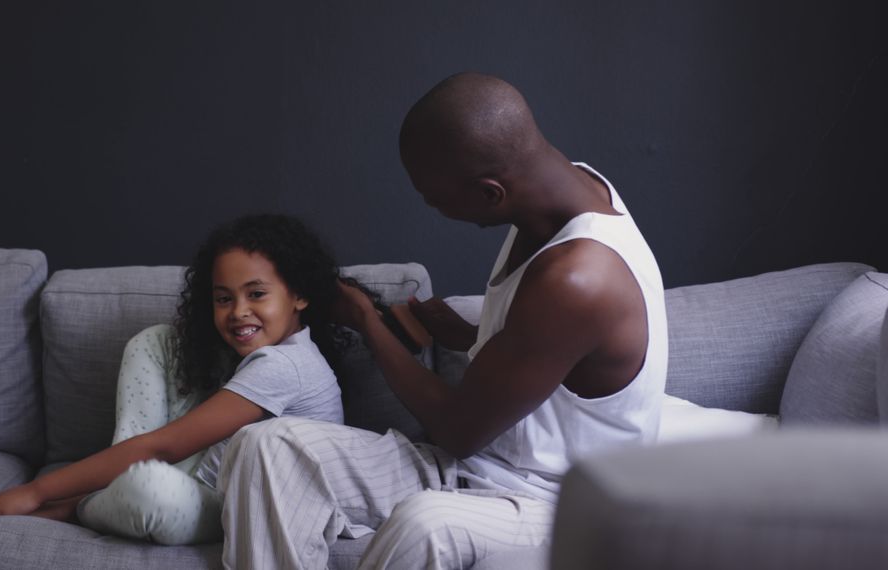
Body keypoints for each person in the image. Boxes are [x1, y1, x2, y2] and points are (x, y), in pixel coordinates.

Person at [214, 72, 668, 569]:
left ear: (491, 193)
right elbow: (560, 356)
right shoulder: (566, 189)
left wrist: (369, 323)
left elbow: (457, 430)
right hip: (477, 468)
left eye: (435, 196)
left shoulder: (579, 279)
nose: (430, 206)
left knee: (424, 526)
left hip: (555, 501)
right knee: (264, 448)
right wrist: (476, 336)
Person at [0, 214, 363, 546]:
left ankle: (80, 506)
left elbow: (165, 447)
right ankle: (113, 490)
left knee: (150, 488)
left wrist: (36, 491)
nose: (239, 312)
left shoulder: (286, 366)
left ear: (299, 295)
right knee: (157, 341)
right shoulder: (270, 357)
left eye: (257, 294)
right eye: (223, 298)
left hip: (247, 507)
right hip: (208, 474)